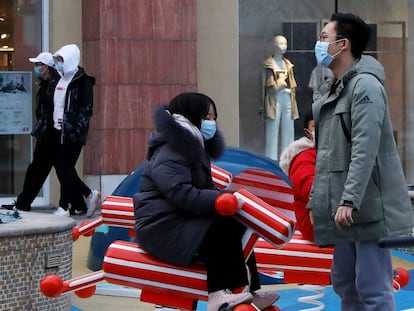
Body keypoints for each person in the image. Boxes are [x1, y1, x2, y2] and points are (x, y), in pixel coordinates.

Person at [134, 92, 280, 311]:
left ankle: (248, 290)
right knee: (221, 226)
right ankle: (217, 294)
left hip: (177, 220)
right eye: (207, 117)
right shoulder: (172, 150)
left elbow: (203, 189)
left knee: (237, 222)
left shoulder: (192, 146)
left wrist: (229, 197)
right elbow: (181, 193)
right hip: (161, 227)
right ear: (192, 116)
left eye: (213, 117)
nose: (212, 123)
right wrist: (220, 199)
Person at [309, 13, 414, 310]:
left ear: (343, 44)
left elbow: (364, 150)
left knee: (373, 288)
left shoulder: (365, 87)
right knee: (345, 283)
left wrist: (349, 200)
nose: (319, 43)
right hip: (346, 209)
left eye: (324, 37)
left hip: (365, 208)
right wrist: (318, 200)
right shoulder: (335, 89)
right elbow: (327, 155)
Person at [1, 52, 59, 212]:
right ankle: (23, 203)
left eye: (39, 65)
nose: (37, 68)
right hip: (46, 135)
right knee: (37, 170)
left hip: (52, 135)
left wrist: (43, 130)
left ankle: (85, 197)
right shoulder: (46, 84)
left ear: (47, 67)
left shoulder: (54, 85)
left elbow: (50, 112)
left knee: (62, 169)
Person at [51, 44, 100, 217]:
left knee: (65, 167)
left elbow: (86, 109)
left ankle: (63, 206)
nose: (58, 64)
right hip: (58, 131)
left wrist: (74, 127)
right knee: (64, 168)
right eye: (57, 60)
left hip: (73, 133)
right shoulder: (60, 79)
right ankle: (88, 194)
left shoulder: (82, 81)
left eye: (61, 60)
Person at [279, 110, 315, 241]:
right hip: (314, 225)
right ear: (307, 131)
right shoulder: (303, 157)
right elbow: (308, 186)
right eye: (314, 126)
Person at [263, 34, 299, 161]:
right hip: (274, 100)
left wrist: (286, 87)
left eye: (285, 44)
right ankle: (271, 160)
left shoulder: (288, 64)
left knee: (288, 130)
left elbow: (292, 84)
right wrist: (280, 85)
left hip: (287, 98)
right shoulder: (269, 64)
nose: (283, 47)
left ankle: (287, 159)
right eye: (280, 44)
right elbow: (268, 87)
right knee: (272, 131)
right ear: (274, 45)